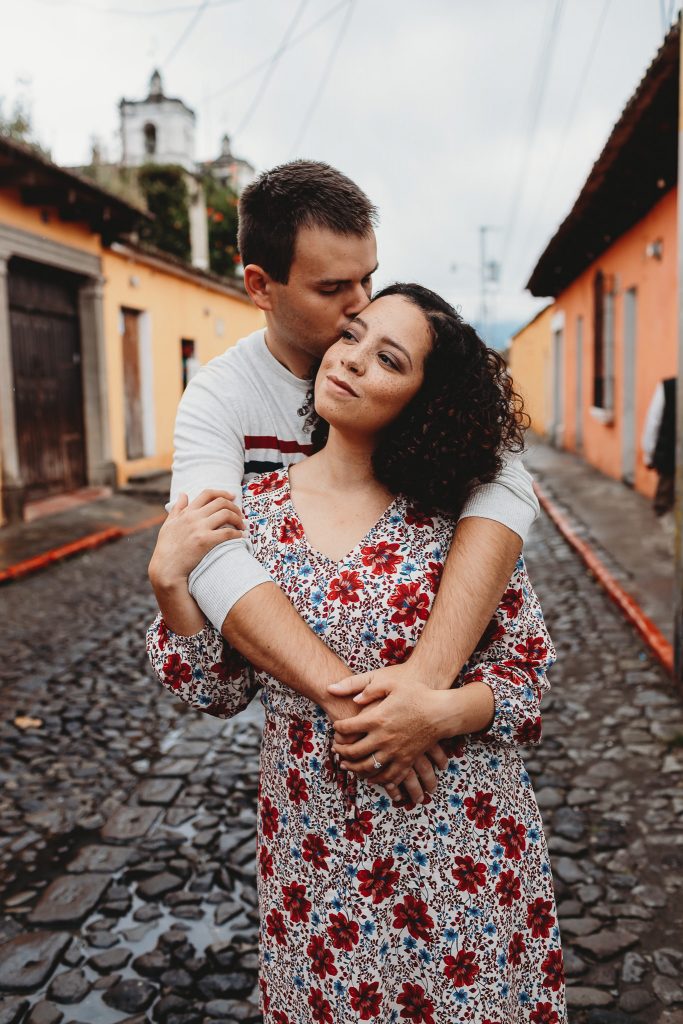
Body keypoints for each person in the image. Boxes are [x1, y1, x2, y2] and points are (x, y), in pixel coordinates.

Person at [147, 284, 566, 1023]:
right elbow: (213, 693)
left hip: (460, 845)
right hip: (318, 863)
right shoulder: (253, 515)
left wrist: (432, 713)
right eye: (351, 338)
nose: (350, 362)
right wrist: (169, 586)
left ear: (422, 400)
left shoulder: (455, 518)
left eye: (387, 359)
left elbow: (524, 678)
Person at [163, 160, 540, 804]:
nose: (361, 304)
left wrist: (424, 688)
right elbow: (215, 561)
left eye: (368, 276)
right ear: (261, 285)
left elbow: (504, 484)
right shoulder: (219, 402)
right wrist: (366, 714)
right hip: (314, 817)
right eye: (336, 287)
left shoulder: (428, 418)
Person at [642, 376, 676, 516]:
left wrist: (648, 456)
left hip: (670, 462)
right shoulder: (668, 387)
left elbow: (653, 422)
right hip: (670, 462)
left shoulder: (668, 387)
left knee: (665, 508)